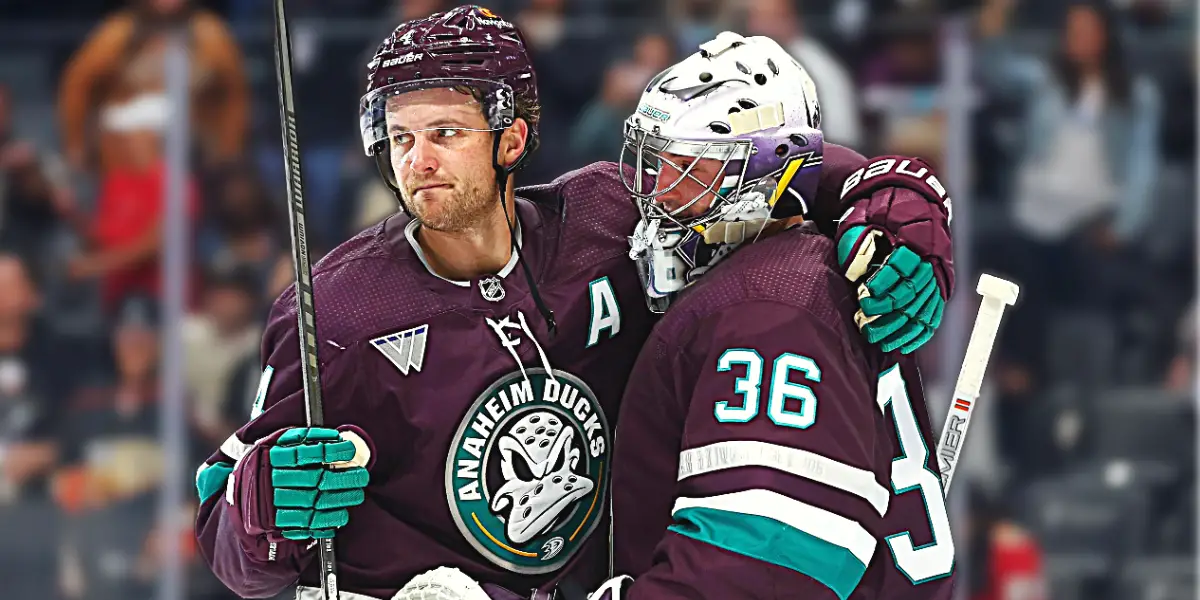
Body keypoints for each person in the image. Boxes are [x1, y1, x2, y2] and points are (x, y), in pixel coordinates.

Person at [194, 7, 954, 600]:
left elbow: (793, 167)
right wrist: (260, 509)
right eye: (398, 138)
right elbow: (227, 532)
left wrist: (899, 215)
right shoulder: (336, 312)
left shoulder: (614, 214)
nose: (415, 161)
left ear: (512, 138)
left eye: (445, 132)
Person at [592, 33, 955, 599]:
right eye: (656, 161)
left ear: (766, 175)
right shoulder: (781, 276)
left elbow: (770, 560)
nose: (658, 191)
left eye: (690, 169)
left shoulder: (770, 310)